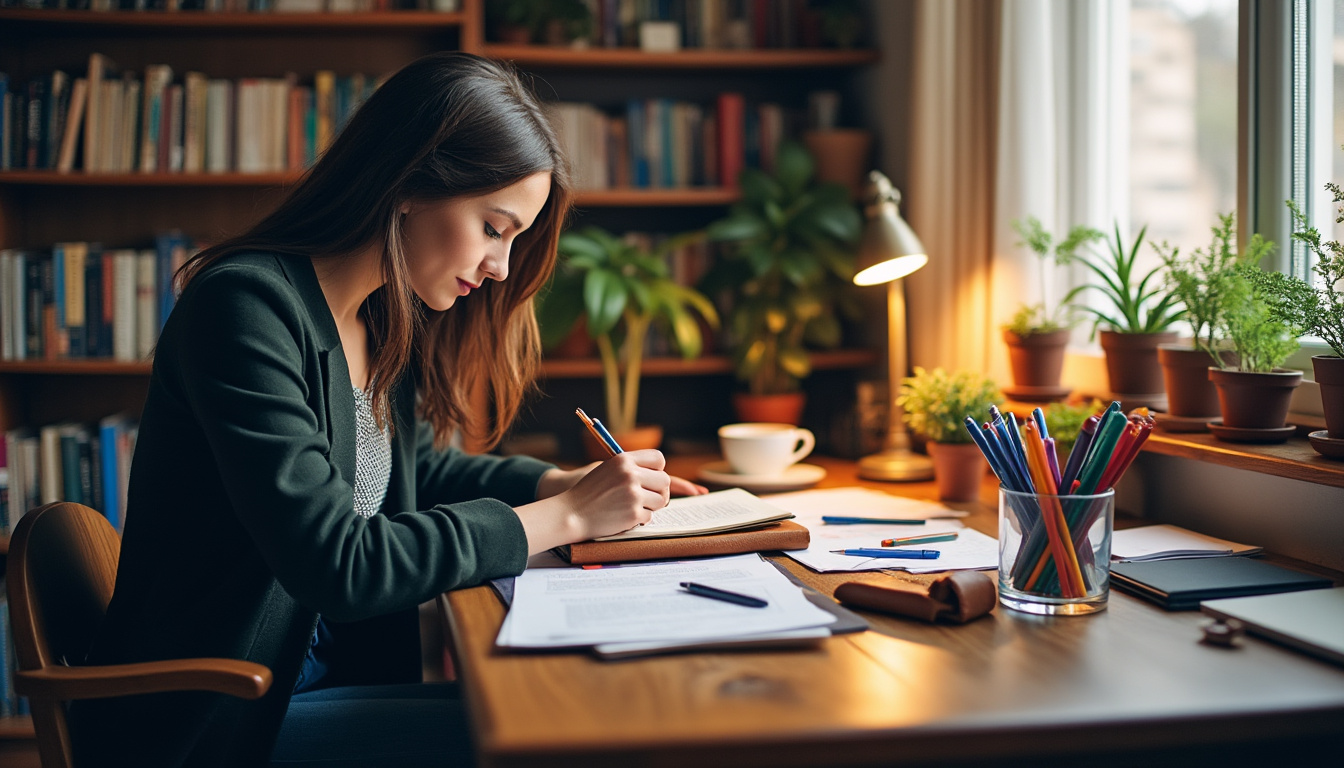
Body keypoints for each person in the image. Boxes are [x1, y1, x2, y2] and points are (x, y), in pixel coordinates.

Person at [70, 51, 704, 768]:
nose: (501, 267)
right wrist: (567, 518)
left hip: (309, 684)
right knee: (559, 728)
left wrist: (552, 484)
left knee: (568, 702)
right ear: (409, 185)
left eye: (514, 239)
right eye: (493, 228)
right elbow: (338, 563)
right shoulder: (244, 310)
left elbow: (414, 472)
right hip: (223, 717)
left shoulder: (379, 317)